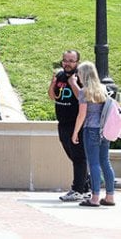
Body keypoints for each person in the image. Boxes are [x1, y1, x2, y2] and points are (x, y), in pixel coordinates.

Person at [72, 62, 116, 207]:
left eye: (79, 73)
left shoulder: (85, 91)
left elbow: (81, 114)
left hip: (91, 129)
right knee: (105, 162)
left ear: (84, 74)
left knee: (94, 163)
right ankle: (110, 197)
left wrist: (75, 132)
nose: (78, 75)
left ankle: (95, 198)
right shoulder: (103, 89)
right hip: (104, 130)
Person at [48, 50, 90, 202]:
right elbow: (53, 97)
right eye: (65, 60)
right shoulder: (59, 76)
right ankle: (86, 186)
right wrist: (53, 84)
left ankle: (77, 189)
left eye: (71, 61)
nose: (67, 63)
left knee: (79, 157)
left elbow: (83, 99)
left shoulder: (80, 77)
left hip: (76, 123)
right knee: (73, 156)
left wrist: (72, 83)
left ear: (77, 62)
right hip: (63, 122)